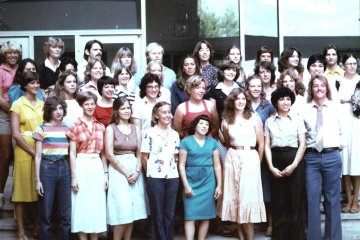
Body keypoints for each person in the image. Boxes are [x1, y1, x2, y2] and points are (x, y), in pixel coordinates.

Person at [299, 74, 345, 240]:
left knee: (332, 199)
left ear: (327, 88)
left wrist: (335, 151)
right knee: (312, 199)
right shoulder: (304, 109)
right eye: (316, 86)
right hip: (311, 158)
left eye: (322, 86)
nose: (319, 89)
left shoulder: (335, 106)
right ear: (311, 89)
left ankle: (332, 237)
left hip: (332, 156)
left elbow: (342, 131)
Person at [220, 88, 266, 240]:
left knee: (247, 198)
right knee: (236, 199)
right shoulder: (226, 120)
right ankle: (241, 237)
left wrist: (256, 163)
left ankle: (250, 238)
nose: (240, 101)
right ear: (232, 101)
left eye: (243, 99)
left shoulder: (254, 117)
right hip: (233, 157)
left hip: (250, 158)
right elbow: (227, 143)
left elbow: (261, 144)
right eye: (237, 99)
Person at [264, 87, 306, 240]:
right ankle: (280, 236)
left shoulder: (297, 119)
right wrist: (271, 166)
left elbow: (302, 144)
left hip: (294, 160)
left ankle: (297, 237)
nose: (285, 102)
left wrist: (294, 165)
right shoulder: (269, 121)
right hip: (276, 160)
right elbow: (267, 146)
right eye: (282, 99)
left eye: (288, 99)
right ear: (275, 102)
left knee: (295, 200)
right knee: (279, 200)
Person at [66, 91, 108, 239]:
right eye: (87, 104)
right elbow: (72, 153)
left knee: (96, 203)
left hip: (96, 165)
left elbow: (103, 153)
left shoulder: (100, 126)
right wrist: (74, 177)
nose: (90, 106)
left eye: (92, 103)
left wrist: (105, 173)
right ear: (81, 105)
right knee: (81, 204)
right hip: (81, 164)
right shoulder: (75, 126)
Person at [105, 97, 148, 240]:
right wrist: (126, 172)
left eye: (128, 108)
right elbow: (109, 155)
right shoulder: (110, 129)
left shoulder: (136, 128)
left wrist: (136, 171)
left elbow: (139, 153)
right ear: (117, 111)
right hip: (118, 170)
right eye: (123, 108)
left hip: (135, 167)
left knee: (133, 211)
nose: (126, 111)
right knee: (121, 210)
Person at [10, 71, 43, 240]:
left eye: (37, 83)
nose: (36, 86)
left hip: (40, 148)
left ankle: (37, 227)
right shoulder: (17, 104)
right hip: (24, 150)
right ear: (25, 85)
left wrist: (39, 152)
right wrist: (32, 152)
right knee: (21, 192)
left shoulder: (43, 104)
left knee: (38, 191)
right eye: (32, 83)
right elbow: (15, 133)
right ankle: (21, 231)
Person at [178, 114, 222, 240]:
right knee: (190, 215)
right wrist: (186, 185)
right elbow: (181, 165)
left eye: (207, 124)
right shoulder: (185, 141)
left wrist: (219, 185)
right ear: (195, 125)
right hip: (191, 179)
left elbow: (217, 165)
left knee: (205, 215)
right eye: (201, 123)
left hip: (208, 180)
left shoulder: (213, 142)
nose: (204, 126)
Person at [141, 101, 180, 240]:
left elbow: (176, 156)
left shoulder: (175, 134)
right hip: (155, 177)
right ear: (156, 115)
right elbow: (144, 157)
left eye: (169, 112)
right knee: (157, 213)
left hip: (172, 177)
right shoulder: (149, 133)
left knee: (169, 213)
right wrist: (151, 175)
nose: (168, 115)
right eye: (164, 112)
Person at [33, 96, 71, 240]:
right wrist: (38, 180)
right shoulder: (41, 128)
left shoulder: (68, 130)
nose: (58, 111)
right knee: (46, 212)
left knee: (65, 213)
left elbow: (71, 153)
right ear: (49, 111)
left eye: (61, 108)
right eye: (55, 109)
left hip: (64, 167)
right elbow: (37, 156)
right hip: (47, 167)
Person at [245, 75, 276, 237]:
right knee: (250, 190)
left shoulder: (268, 106)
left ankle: (270, 224)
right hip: (247, 151)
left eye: (258, 86)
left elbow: (272, 128)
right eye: (253, 86)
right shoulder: (243, 105)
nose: (256, 88)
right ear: (247, 88)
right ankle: (253, 223)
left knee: (266, 189)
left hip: (265, 151)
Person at [0, 40, 22, 209]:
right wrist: (14, 110)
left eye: (15, 52)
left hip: (24, 113)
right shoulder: (1, 71)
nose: (13, 55)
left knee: (21, 155)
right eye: (9, 53)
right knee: (6, 154)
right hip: (5, 114)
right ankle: (1, 194)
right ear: (4, 55)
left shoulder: (22, 69)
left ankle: (19, 195)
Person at [338, 54, 360, 214]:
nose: (352, 66)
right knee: (344, 160)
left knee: (356, 161)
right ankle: (347, 199)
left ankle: (355, 200)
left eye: (354, 63)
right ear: (343, 65)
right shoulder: (338, 81)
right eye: (349, 63)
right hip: (343, 121)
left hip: (357, 122)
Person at [208, 60, 242, 161]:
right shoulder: (214, 89)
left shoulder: (240, 88)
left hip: (238, 132)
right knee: (224, 162)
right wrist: (219, 133)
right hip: (221, 133)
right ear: (222, 71)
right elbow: (212, 113)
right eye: (228, 69)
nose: (231, 72)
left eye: (234, 70)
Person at [173, 75, 219, 139]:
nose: (201, 91)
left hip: (208, 144)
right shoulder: (181, 108)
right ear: (189, 90)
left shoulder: (210, 105)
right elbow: (177, 132)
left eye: (203, 88)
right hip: (189, 145)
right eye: (198, 88)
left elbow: (215, 127)